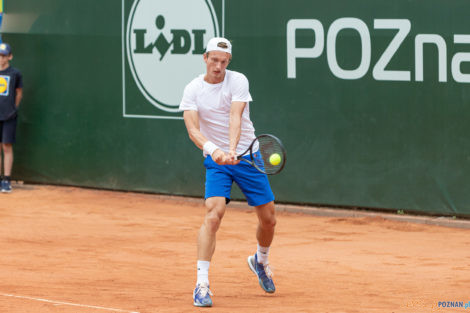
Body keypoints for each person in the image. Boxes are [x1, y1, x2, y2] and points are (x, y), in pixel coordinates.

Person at [179, 37, 277, 307]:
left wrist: (232, 149)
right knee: (214, 214)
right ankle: (201, 284)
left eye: (223, 61)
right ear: (205, 58)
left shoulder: (238, 81)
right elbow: (193, 130)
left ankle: (261, 260)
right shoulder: (192, 90)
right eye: (214, 60)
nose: (218, 66)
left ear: (228, 62)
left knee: (268, 219)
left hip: (248, 156)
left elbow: (236, 116)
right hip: (216, 160)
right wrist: (216, 151)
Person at [0, 43, 23, 193]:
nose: (1, 59)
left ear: (10, 57)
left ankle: (6, 180)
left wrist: (13, 109)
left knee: (6, 146)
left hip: (9, 116)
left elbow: (19, 92)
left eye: (3, 56)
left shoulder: (15, 73)